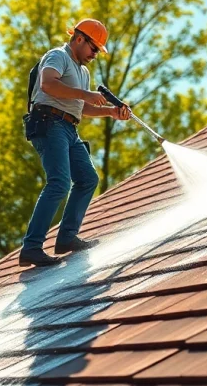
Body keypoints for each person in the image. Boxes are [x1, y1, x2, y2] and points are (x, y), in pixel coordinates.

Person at [19, 18, 132, 267]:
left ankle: (66, 238)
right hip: (49, 123)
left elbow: (81, 107)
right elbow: (48, 84)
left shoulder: (83, 72)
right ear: (79, 39)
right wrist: (85, 94)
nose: (95, 55)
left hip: (69, 128)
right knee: (59, 183)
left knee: (88, 178)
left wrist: (111, 112)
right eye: (94, 48)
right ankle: (31, 248)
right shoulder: (58, 56)